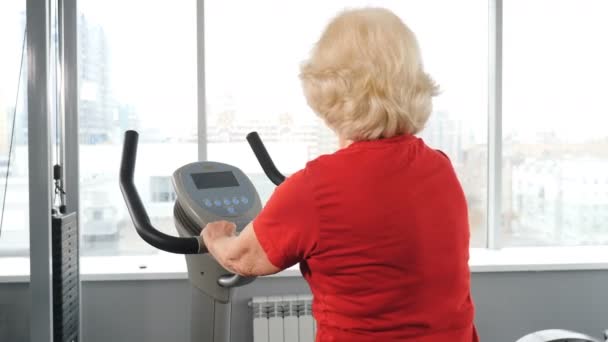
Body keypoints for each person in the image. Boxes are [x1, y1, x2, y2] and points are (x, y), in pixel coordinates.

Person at [201, 7, 479, 342]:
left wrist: (214, 236)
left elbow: (242, 259)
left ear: (327, 87)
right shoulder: (440, 167)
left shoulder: (315, 188)